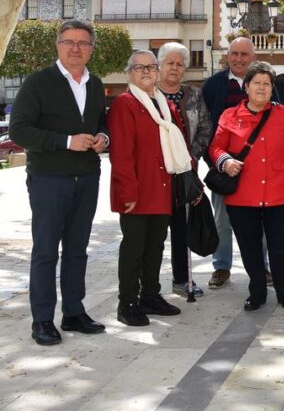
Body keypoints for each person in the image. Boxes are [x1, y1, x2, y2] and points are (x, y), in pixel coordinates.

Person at [10, 20, 110, 346]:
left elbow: (101, 122)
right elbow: (19, 131)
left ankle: (73, 312)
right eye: (69, 42)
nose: (75, 48)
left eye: (83, 43)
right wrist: (66, 141)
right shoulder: (38, 83)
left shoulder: (94, 84)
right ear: (58, 45)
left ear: (91, 49)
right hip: (49, 179)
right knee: (45, 251)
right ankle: (42, 320)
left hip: (87, 178)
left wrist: (103, 137)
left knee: (77, 250)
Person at [209, 61, 284, 311]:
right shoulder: (229, 115)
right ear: (246, 86)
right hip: (243, 195)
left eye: (267, 84)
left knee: (281, 244)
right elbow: (215, 147)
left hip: (280, 193)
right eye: (257, 83)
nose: (262, 88)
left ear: (272, 89)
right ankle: (256, 292)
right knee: (250, 246)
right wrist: (226, 161)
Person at [108, 50, 193, 326]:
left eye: (151, 67)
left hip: (162, 187)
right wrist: (127, 192)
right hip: (137, 189)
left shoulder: (162, 103)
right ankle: (128, 303)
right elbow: (121, 153)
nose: (146, 71)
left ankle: (150, 296)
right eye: (139, 67)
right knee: (134, 248)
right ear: (129, 73)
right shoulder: (125, 103)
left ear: (157, 72)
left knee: (155, 246)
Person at [201, 37, 277, 289]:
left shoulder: (266, 83)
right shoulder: (213, 85)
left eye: (245, 54)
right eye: (234, 53)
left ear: (252, 57)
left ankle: (261, 266)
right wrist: (216, 160)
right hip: (223, 167)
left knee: (262, 221)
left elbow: (275, 120)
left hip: (260, 168)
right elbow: (206, 126)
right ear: (227, 55)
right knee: (222, 221)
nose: (239, 58)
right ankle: (221, 267)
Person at [158, 42, 212, 297]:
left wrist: (191, 157)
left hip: (185, 174)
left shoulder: (194, 95)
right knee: (153, 232)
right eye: (170, 62)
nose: (175, 68)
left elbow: (205, 128)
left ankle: (183, 280)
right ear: (159, 65)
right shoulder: (146, 95)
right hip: (155, 175)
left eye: (179, 64)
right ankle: (148, 285)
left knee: (182, 228)